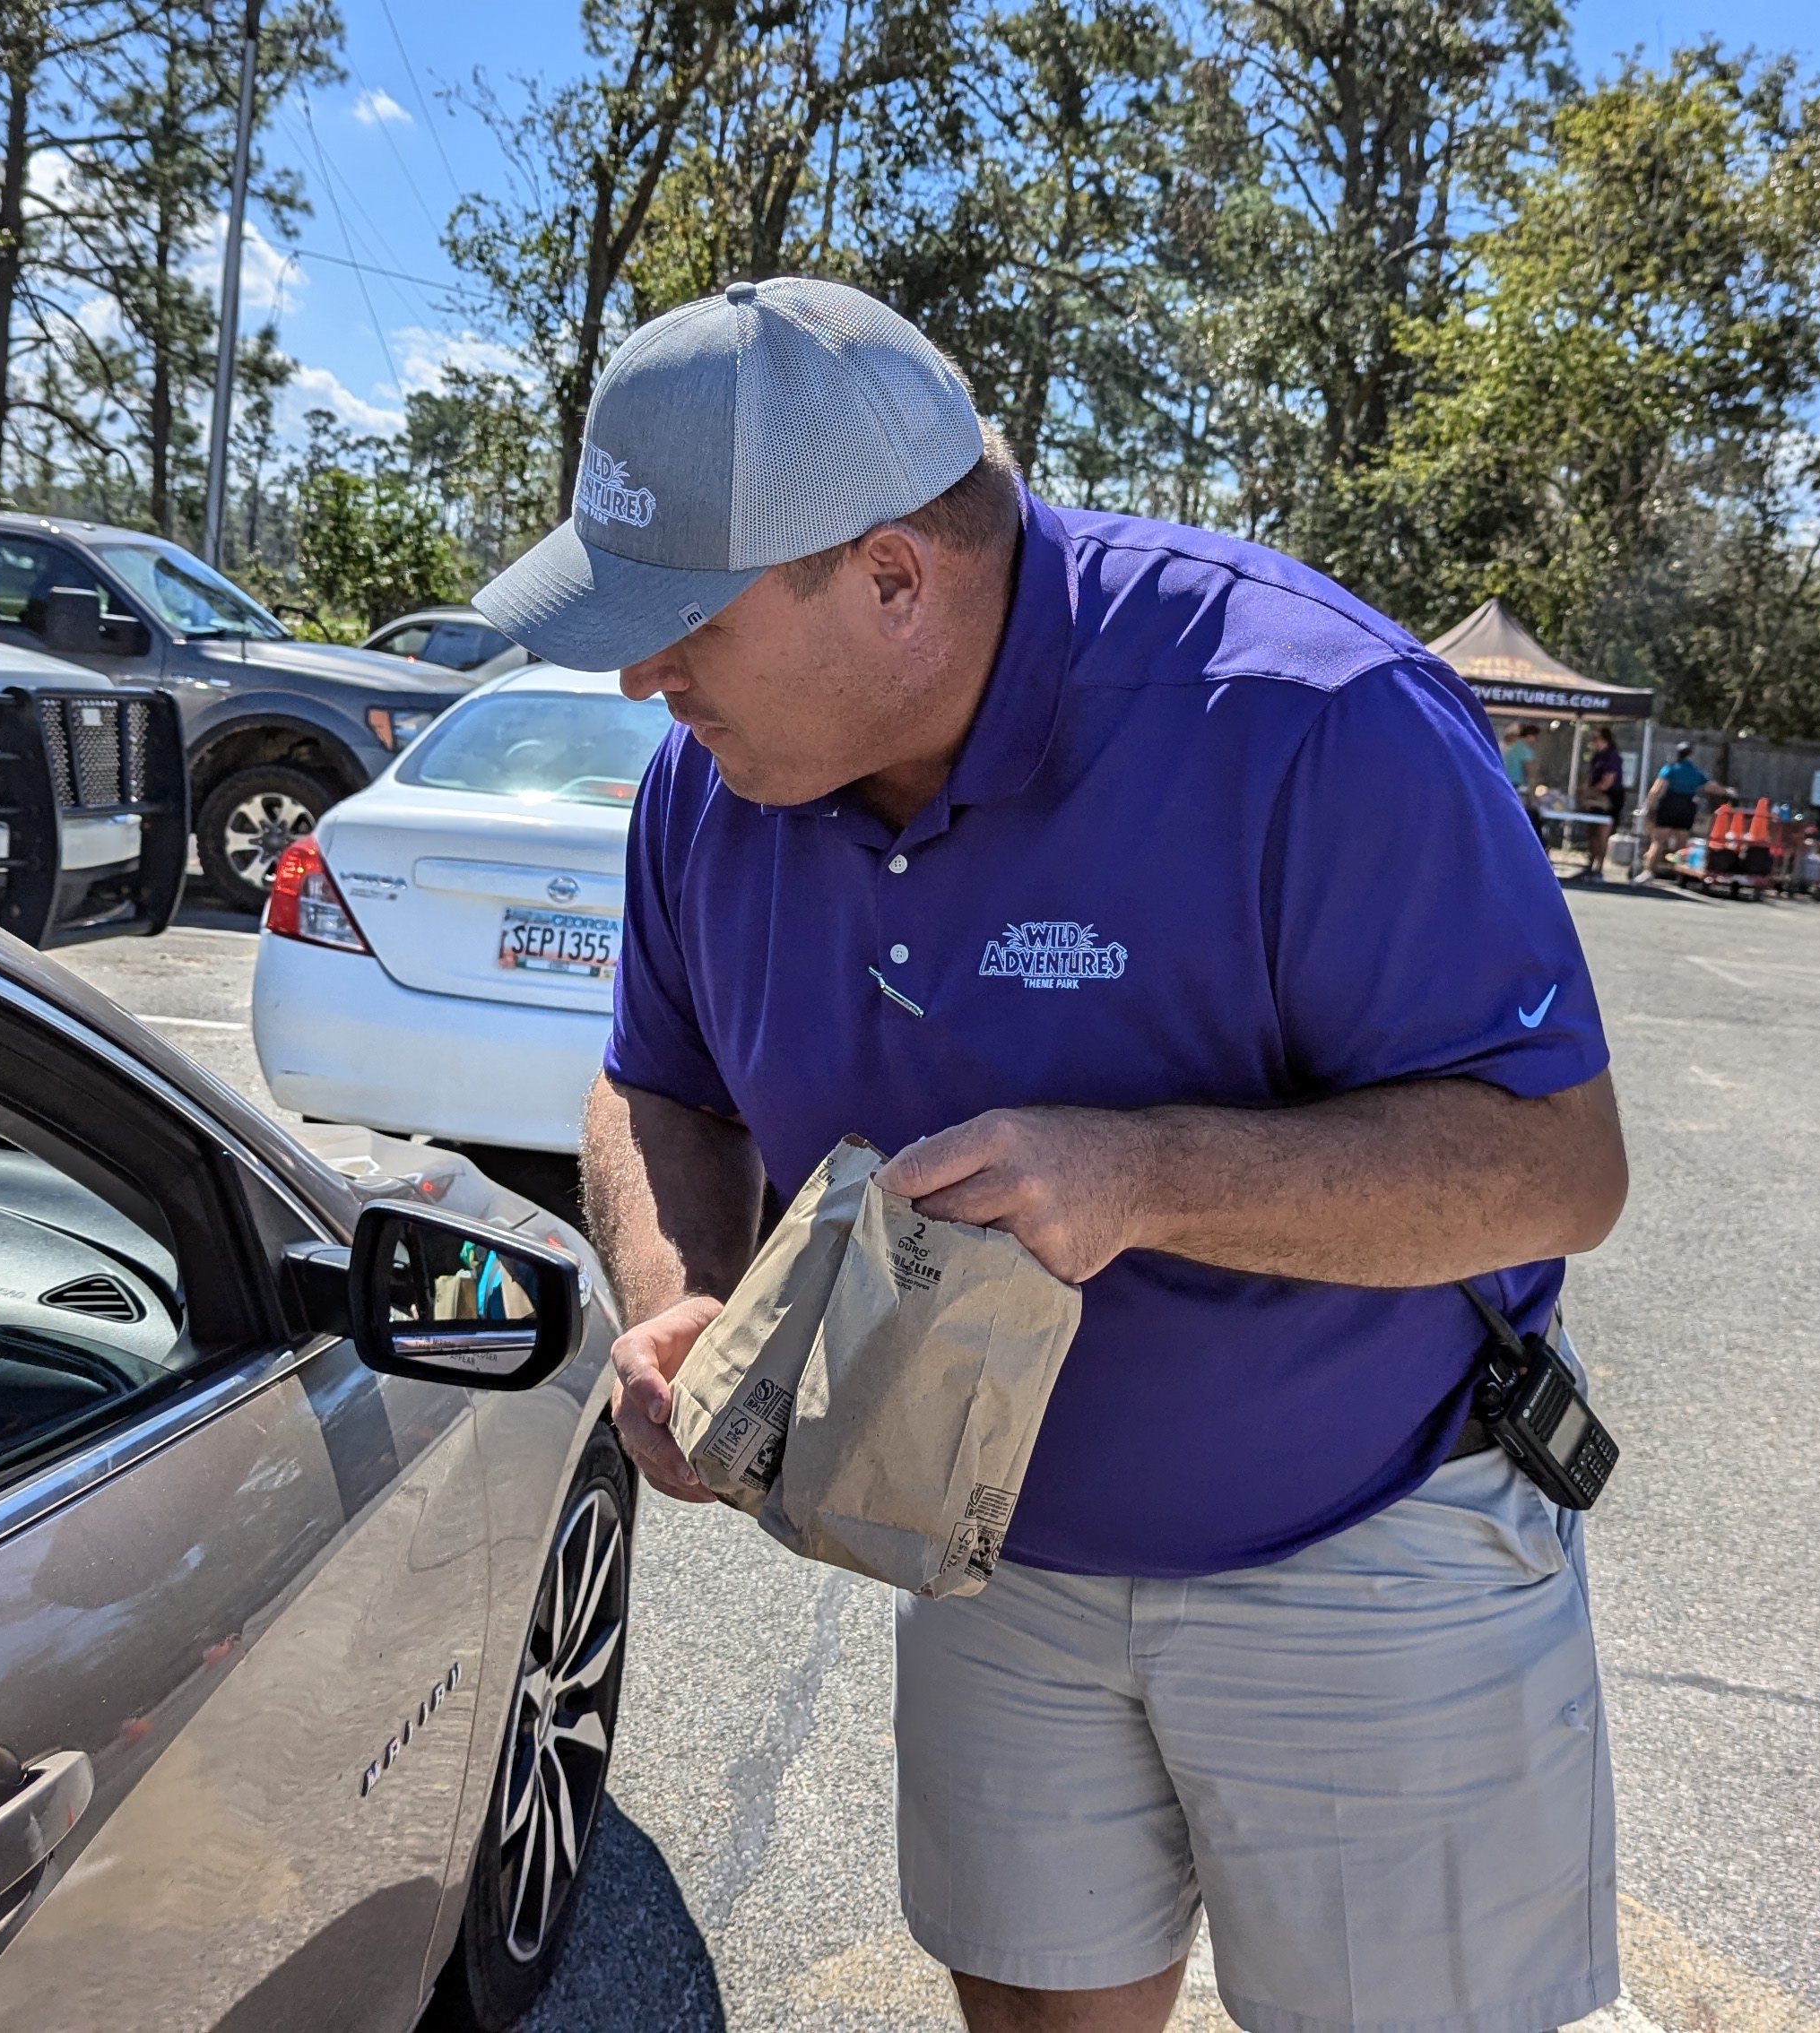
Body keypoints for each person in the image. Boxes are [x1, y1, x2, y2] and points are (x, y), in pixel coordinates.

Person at [480, 276, 1631, 2033]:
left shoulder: (1303, 716)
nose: (646, 678)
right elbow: (658, 1089)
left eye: (686, 621)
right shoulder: (705, 792)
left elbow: (1557, 1167)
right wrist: (682, 1297)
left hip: (1362, 1549)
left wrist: (1150, 1175)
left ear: (890, 577)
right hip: (992, 1561)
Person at [1640, 740, 1710, 879]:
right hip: (1687, 807)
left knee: (1658, 841)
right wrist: (1726, 791)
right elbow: (1709, 786)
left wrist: (1647, 805)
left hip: (1670, 805)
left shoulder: (1670, 768)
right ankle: (1680, 874)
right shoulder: (1695, 772)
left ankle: (1648, 872)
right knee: (1682, 842)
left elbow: (1657, 789)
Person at [1579, 726, 1625, 878]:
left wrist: (1590, 791)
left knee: (1602, 833)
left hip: (1610, 798)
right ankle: (1590, 863)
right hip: (1594, 798)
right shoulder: (1597, 756)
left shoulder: (1612, 757)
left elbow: (1607, 782)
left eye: (1596, 739)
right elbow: (1590, 776)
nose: (1594, 742)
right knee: (1592, 831)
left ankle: (1599, 867)